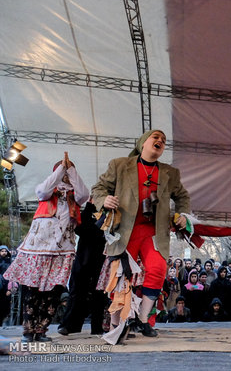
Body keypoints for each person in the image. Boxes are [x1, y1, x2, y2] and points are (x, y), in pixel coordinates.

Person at [92, 129, 190, 339]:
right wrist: (104, 200)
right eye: (156, 137)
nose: (160, 141)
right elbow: (99, 188)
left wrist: (182, 214)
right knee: (120, 276)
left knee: (158, 268)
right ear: (143, 143)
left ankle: (143, 319)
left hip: (153, 231)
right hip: (124, 230)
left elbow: (183, 197)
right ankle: (116, 326)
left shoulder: (170, 173)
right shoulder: (119, 165)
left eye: (163, 140)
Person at [3, 153, 89, 342]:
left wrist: (72, 170)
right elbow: (42, 191)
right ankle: (28, 329)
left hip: (62, 249)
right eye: (63, 170)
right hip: (39, 247)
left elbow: (85, 195)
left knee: (54, 291)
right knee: (32, 288)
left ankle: (41, 330)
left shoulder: (75, 195)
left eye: (68, 170)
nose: (66, 173)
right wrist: (60, 169)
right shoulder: (47, 190)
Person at [58, 199, 108, 336]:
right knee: (77, 292)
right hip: (84, 256)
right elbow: (79, 228)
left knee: (99, 294)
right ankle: (69, 325)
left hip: (101, 256)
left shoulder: (112, 212)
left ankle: (97, 326)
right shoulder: (89, 210)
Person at [0, 245, 13, 326]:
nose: (4, 252)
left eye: (5, 251)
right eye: (2, 251)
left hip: (6, 286)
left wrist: (10, 288)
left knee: (5, 305)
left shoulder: (10, 261)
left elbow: (12, 276)